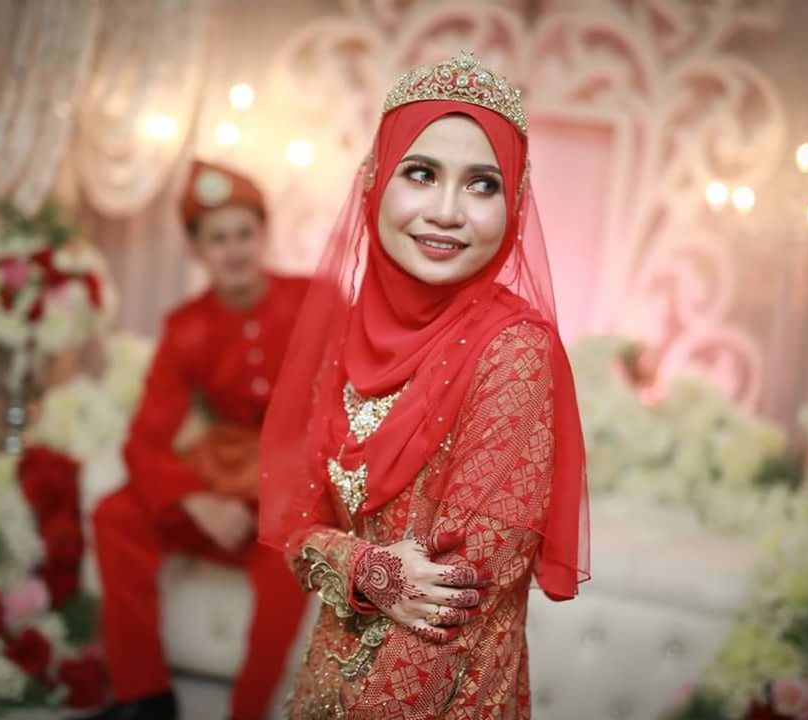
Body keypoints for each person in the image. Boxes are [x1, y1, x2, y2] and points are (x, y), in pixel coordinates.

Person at [258, 52, 591, 718]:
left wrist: (347, 560)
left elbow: (457, 595)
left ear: (515, 203)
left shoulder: (514, 349)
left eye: (482, 185)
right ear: (376, 183)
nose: (446, 211)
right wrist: (367, 569)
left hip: (446, 695)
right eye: (421, 173)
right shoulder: (345, 332)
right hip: (322, 686)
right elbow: (297, 524)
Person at [85, 160, 311, 720]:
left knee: (292, 550)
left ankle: (247, 711)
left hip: (288, 498)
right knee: (116, 513)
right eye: (218, 238)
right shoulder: (186, 326)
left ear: (263, 236)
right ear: (196, 251)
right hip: (219, 493)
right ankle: (145, 696)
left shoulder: (313, 301)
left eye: (244, 233)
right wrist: (196, 499)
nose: (233, 250)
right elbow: (144, 441)